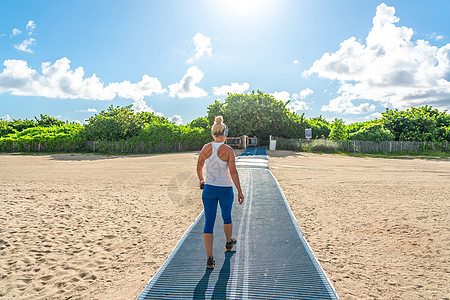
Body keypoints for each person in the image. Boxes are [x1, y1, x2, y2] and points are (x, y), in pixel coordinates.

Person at [197, 116, 245, 269]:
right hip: (225, 189)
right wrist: (240, 191)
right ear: (225, 133)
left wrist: (201, 180)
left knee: (209, 222)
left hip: (209, 189)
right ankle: (228, 242)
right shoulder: (228, 150)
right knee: (227, 216)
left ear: (213, 134)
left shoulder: (205, 148)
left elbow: (199, 167)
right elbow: (233, 172)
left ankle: (209, 258)